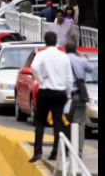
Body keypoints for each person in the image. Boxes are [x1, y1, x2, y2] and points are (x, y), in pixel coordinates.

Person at [29, 31, 73, 163]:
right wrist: (68, 94)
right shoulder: (64, 56)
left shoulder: (42, 54)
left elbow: (33, 67)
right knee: (58, 122)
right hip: (60, 92)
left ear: (45, 41)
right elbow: (69, 78)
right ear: (56, 41)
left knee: (40, 122)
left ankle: (38, 151)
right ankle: (55, 152)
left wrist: (40, 80)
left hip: (46, 91)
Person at [64, 43, 93, 158]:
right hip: (78, 95)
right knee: (79, 123)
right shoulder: (81, 60)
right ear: (76, 50)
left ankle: (65, 147)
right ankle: (78, 150)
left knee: (65, 121)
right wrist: (80, 56)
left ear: (65, 50)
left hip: (65, 95)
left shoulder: (62, 59)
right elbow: (91, 69)